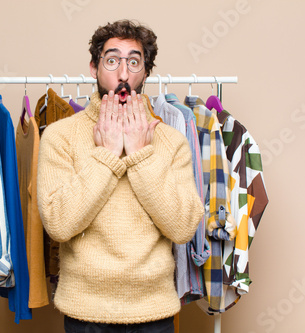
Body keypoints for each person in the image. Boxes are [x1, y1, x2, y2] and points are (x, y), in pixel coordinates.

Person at [37, 19, 204, 333]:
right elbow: (59, 224)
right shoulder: (61, 136)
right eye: (112, 60)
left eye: (134, 62)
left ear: (146, 72)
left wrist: (139, 156)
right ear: (94, 68)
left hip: (155, 314)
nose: (123, 74)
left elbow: (182, 228)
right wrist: (109, 155)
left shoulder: (171, 141)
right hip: (86, 315)